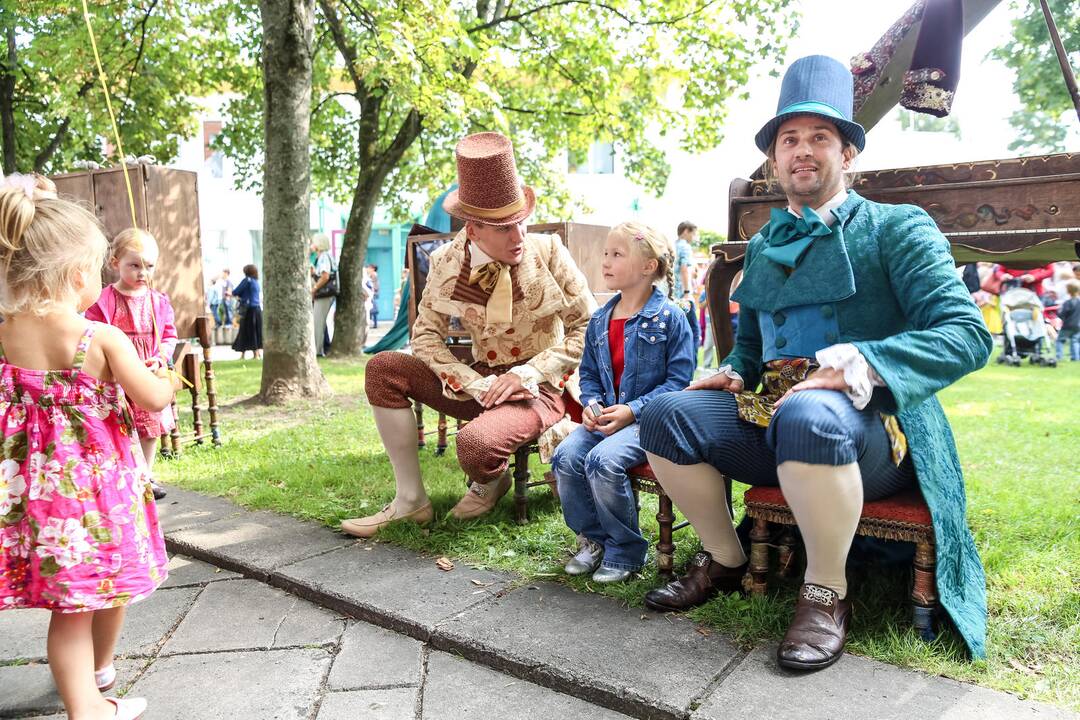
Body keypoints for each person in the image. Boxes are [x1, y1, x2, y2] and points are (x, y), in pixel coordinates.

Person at [637, 55, 992, 670]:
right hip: (775, 417)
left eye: (820, 138)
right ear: (775, 159)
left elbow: (965, 334)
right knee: (668, 411)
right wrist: (735, 372)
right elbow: (750, 348)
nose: (803, 151)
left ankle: (827, 591)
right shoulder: (767, 244)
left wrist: (865, 360)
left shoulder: (896, 228)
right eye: (789, 140)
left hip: (878, 429)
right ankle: (726, 558)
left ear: (848, 152)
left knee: (809, 413)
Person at [343, 131, 596, 537]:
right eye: (504, 229)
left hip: (542, 387)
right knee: (383, 368)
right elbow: (424, 336)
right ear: (474, 230)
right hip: (480, 381)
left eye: (520, 222)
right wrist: (474, 384)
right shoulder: (447, 261)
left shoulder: (547, 251)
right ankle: (411, 501)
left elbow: (590, 328)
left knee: (475, 447)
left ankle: (490, 477)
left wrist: (526, 374)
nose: (518, 236)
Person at [0, 174, 179, 719]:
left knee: (72, 602)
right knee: (82, 606)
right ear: (78, 275)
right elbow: (150, 399)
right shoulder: (98, 338)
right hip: (96, 496)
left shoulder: (4, 331)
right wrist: (166, 376)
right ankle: (90, 706)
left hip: (34, 495)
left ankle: (94, 681)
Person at [551, 221, 693, 583]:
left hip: (648, 422)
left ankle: (625, 551)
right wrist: (593, 403)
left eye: (617, 254)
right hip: (606, 418)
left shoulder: (671, 319)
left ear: (648, 267)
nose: (606, 262)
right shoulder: (600, 320)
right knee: (565, 456)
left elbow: (678, 383)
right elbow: (589, 374)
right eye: (605, 254)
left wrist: (633, 410)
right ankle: (592, 540)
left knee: (602, 460)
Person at [86, 229, 178, 502]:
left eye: (149, 266)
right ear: (115, 263)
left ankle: (146, 475)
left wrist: (161, 357)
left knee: (149, 425)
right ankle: (125, 472)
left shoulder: (158, 301)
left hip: (147, 371)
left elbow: (169, 335)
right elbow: (91, 332)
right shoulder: (104, 299)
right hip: (117, 372)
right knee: (121, 424)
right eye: (134, 265)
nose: (142, 273)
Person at [673, 222, 701, 366]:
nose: (694, 237)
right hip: (683, 297)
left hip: (672, 298)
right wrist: (687, 292)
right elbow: (685, 268)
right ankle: (691, 366)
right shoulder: (685, 247)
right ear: (685, 231)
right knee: (694, 332)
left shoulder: (673, 245)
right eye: (693, 233)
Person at [231, 264, 263, 359]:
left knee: (245, 331)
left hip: (248, 310)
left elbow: (236, 291)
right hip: (257, 309)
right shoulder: (256, 282)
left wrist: (231, 293)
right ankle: (256, 353)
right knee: (256, 331)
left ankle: (243, 354)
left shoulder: (247, 281)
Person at [311, 234, 335, 357]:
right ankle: (321, 348)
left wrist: (314, 288)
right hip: (325, 294)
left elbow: (325, 275)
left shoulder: (323, 257)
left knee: (318, 322)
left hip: (324, 294)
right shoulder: (323, 257)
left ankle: (318, 351)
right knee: (319, 321)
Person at [1056, 280, 1080, 361]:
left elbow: (1061, 314)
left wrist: (1058, 311)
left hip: (1067, 325)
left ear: (1068, 291)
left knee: (1060, 340)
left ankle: (1059, 357)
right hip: (1078, 326)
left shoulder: (1067, 302)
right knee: (1075, 341)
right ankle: (1076, 358)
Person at [367, 264, 380, 328]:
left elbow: (372, 284)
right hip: (373, 292)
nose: (368, 269)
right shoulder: (373, 275)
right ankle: (374, 323)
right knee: (372, 308)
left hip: (372, 293)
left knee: (373, 308)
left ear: (373, 268)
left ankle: (374, 323)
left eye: (369, 268)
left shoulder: (373, 275)